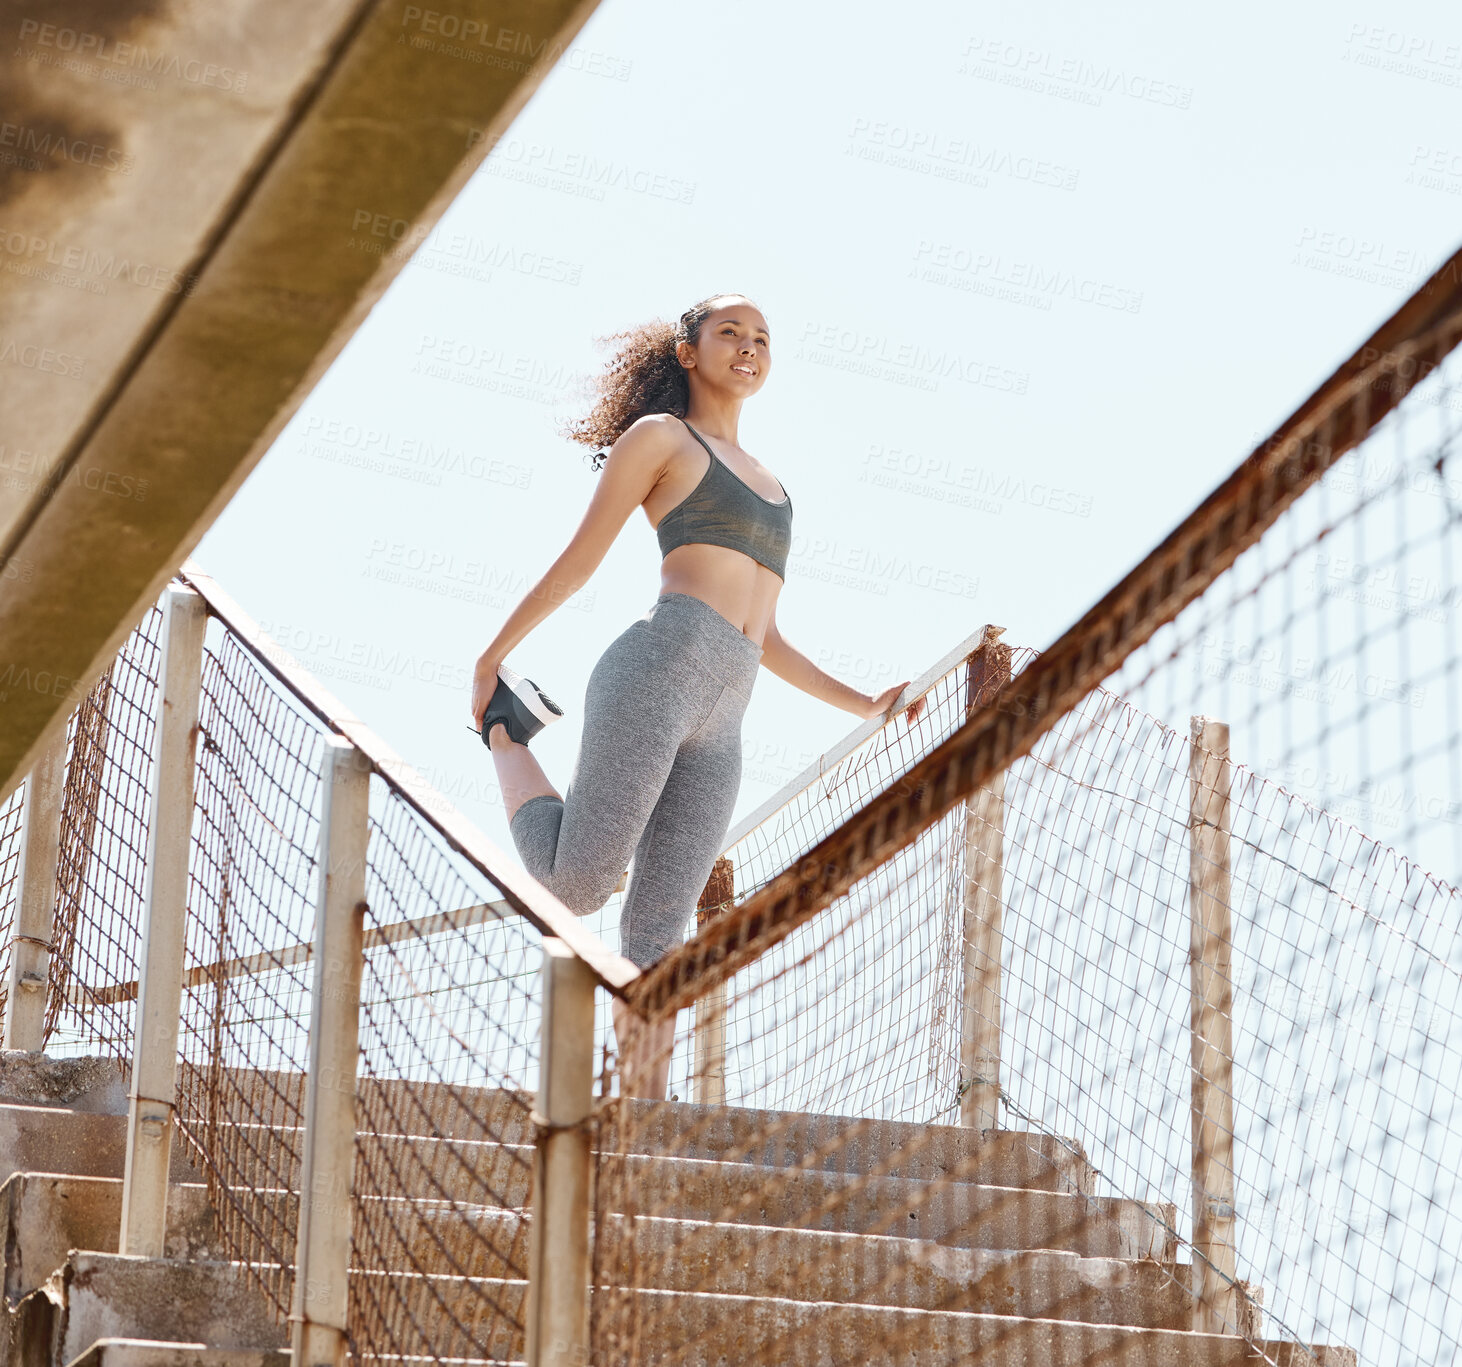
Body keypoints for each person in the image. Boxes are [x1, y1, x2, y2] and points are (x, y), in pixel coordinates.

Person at [469, 292, 925, 1099]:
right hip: (656, 670)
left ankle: (643, 1102)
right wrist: (495, 652)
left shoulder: (778, 489)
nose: (748, 347)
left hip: (727, 715)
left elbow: (767, 636)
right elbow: (581, 560)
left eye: (762, 338)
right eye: (730, 333)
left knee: (658, 929)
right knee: (577, 887)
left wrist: (863, 704)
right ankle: (509, 735)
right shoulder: (660, 439)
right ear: (688, 351)